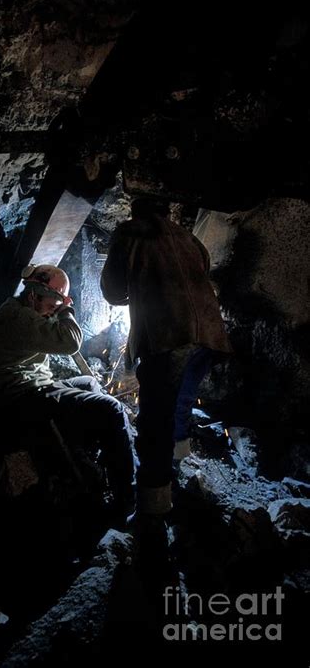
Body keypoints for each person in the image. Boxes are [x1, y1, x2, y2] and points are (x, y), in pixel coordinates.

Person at [100, 197, 232, 527]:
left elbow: (113, 292)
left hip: (169, 334)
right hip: (210, 335)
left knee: (154, 421)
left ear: (135, 209)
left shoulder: (128, 233)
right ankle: (180, 466)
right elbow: (203, 269)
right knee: (181, 401)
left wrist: (138, 287)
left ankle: (153, 509)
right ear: (167, 209)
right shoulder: (188, 236)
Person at [0, 263, 135, 522]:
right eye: (52, 304)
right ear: (33, 295)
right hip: (21, 399)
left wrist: (56, 307)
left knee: (89, 384)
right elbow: (72, 342)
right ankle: (126, 499)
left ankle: (97, 459)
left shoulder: (23, 310)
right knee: (112, 408)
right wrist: (67, 310)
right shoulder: (19, 319)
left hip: (35, 388)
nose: (54, 310)